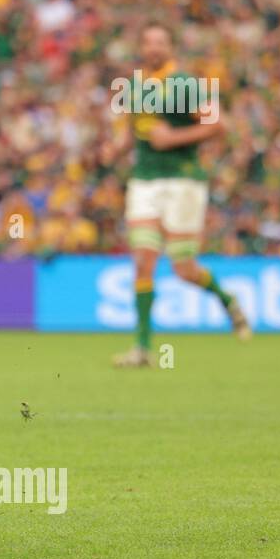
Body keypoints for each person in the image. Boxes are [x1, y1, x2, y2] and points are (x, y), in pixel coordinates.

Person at [104, 23, 249, 367]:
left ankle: (227, 300)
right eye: (148, 41)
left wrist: (174, 139)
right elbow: (133, 132)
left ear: (170, 48)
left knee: (183, 268)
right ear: (141, 46)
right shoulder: (135, 87)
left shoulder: (184, 84)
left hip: (183, 181)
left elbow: (218, 125)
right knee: (143, 259)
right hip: (144, 180)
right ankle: (141, 348)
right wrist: (114, 151)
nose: (154, 47)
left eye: (160, 41)